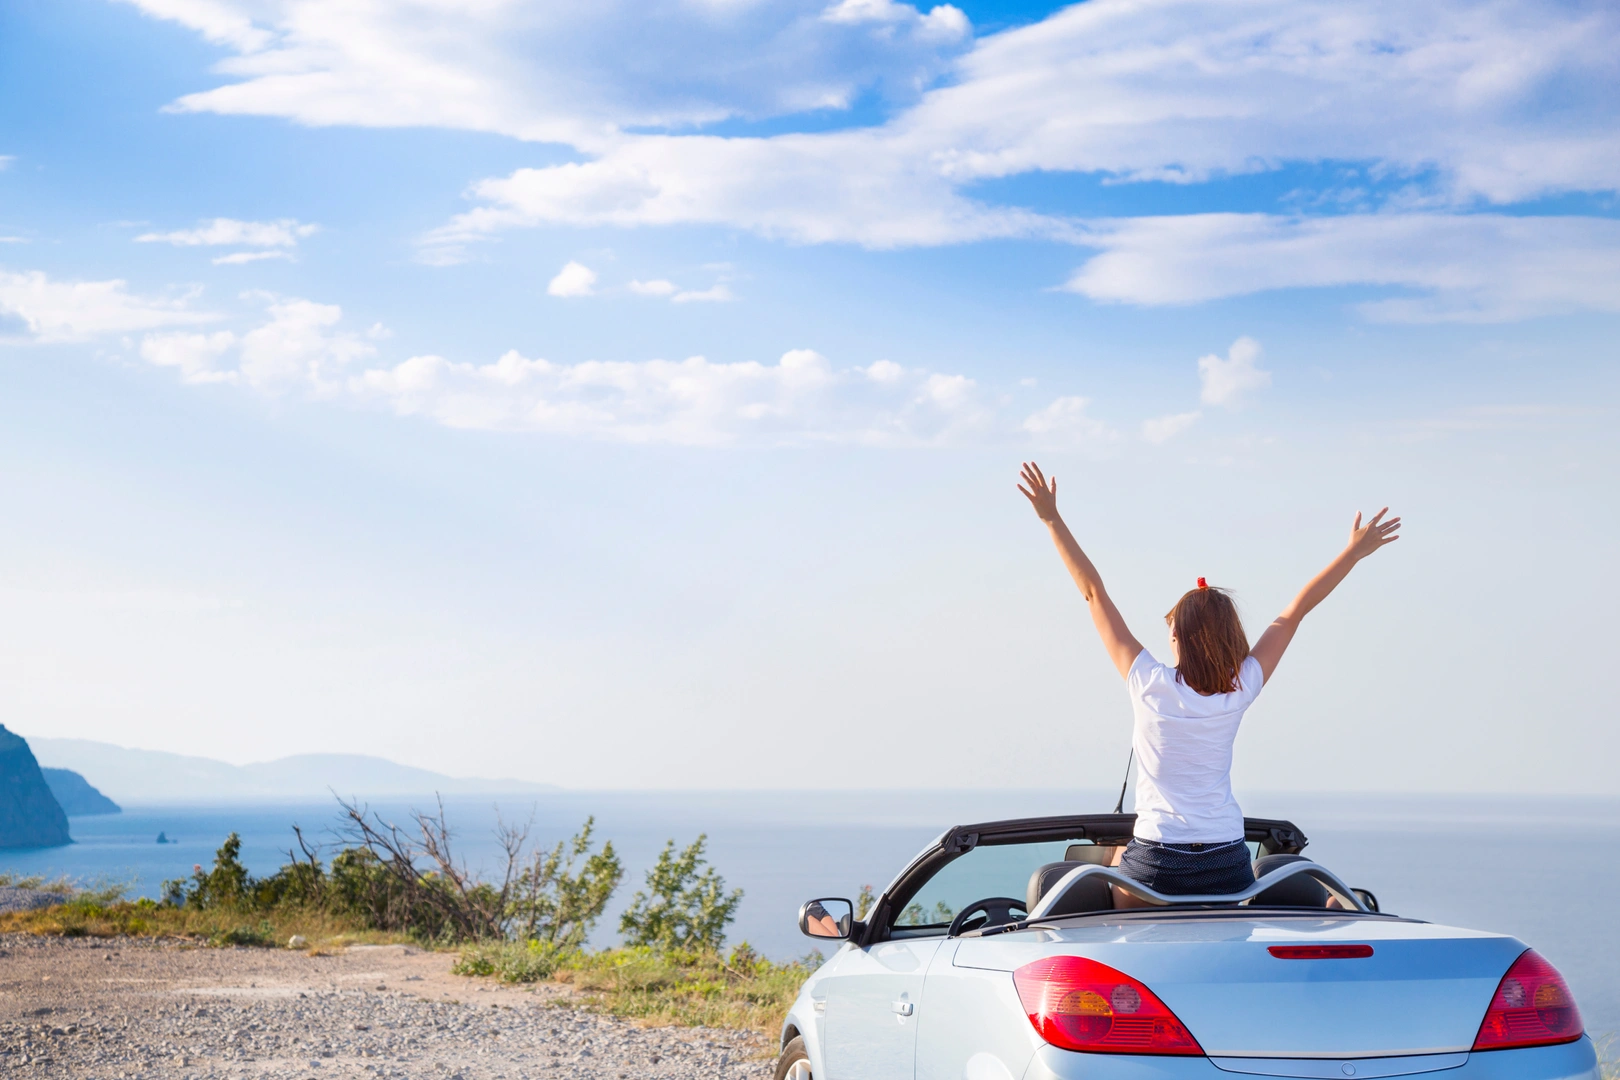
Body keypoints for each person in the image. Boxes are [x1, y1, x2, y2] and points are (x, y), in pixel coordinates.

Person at [1016, 461, 1400, 902]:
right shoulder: (1241, 687)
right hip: (1226, 862)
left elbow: (1093, 592)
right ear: (1229, 637)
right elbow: (1295, 611)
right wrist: (1352, 552)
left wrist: (1050, 518)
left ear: (1176, 636)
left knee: (1110, 882)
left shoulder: (1147, 682)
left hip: (1158, 863)